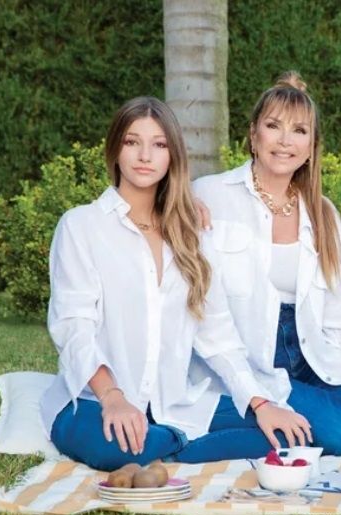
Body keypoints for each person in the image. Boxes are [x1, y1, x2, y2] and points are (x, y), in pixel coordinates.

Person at [41, 97, 312, 471]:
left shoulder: (190, 235)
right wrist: (114, 397)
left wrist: (260, 404)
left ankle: (168, 441)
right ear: (115, 148)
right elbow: (73, 327)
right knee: (119, 450)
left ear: (172, 156)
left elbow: (217, 334)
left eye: (159, 144)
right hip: (92, 400)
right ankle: (176, 442)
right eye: (132, 142)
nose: (144, 155)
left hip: (171, 401)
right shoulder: (81, 226)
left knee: (280, 432)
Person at [191, 72, 341, 458]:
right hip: (246, 355)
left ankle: (311, 414)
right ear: (253, 135)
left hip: (311, 354)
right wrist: (182, 200)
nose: (285, 140)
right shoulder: (209, 195)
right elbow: (154, 207)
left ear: (311, 146)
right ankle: (210, 427)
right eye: (273, 126)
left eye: (299, 131)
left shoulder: (324, 214)